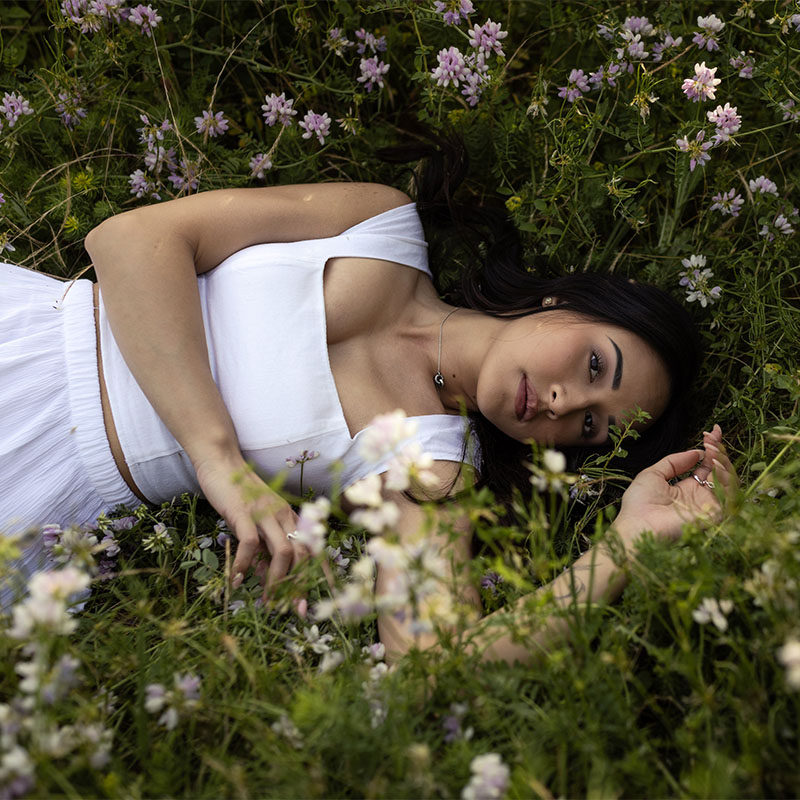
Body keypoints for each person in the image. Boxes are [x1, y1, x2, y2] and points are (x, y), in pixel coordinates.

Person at [0, 178, 735, 661]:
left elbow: (433, 658)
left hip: (46, 489)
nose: (565, 404)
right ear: (567, 302)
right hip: (27, 332)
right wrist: (217, 458)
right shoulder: (377, 223)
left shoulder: (431, 469)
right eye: (595, 366)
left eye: (589, 431)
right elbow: (130, 240)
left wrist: (630, 541)